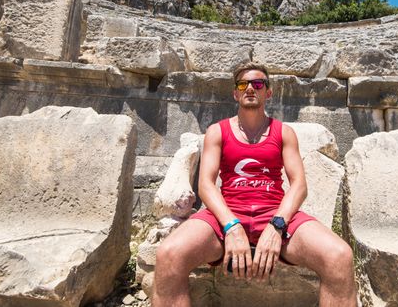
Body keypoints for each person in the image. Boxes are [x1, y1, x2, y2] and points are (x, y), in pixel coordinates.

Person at [151, 62, 357, 306]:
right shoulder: (217, 131)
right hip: (226, 214)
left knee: (340, 256)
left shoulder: (283, 133)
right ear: (235, 93)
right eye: (243, 84)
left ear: (267, 92)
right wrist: (232, 226)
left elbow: (299, 185)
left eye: (258, 84)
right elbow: (206, 185)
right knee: (168, 254)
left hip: (273, 212)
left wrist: (277, 224)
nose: (250, 88)